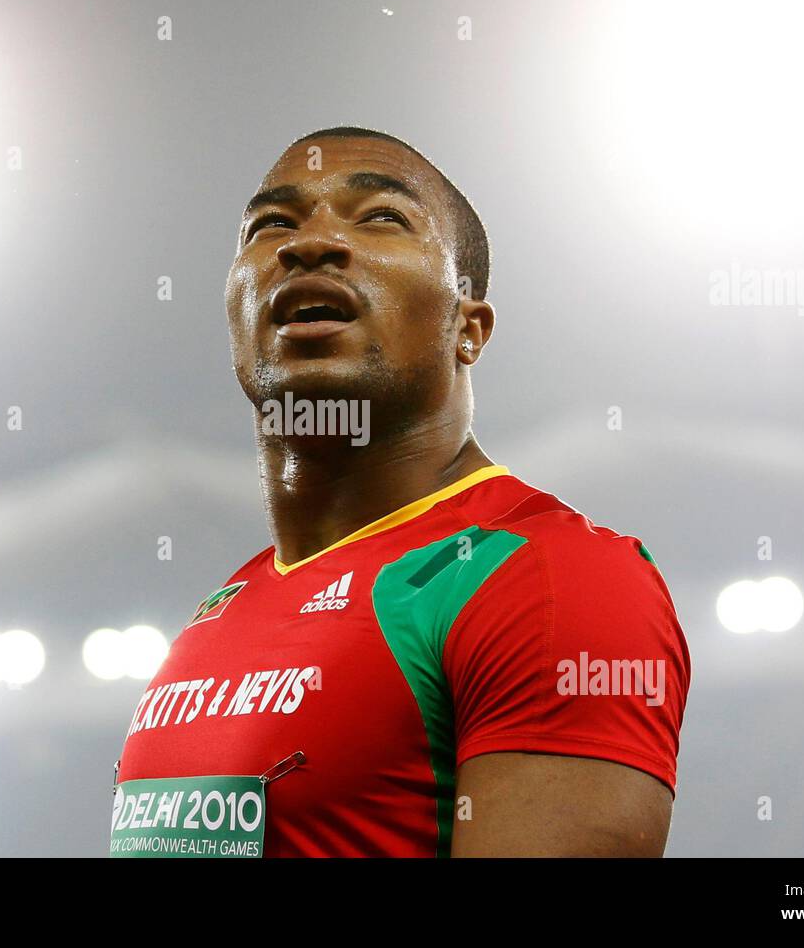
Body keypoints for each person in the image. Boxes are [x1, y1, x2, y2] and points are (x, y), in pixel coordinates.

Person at [111, 126, 691, 857]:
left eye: (381, 217)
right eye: (271, 226)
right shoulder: (226, 605)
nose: (308, 244)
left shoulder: (551, 579)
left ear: (467, 327)